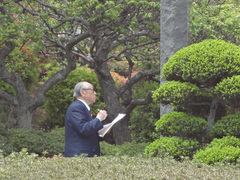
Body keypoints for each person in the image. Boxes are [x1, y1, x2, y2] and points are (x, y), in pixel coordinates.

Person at [64, 81, 107, 157]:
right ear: (83, 92)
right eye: (92, 90)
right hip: (80, 155)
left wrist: (104, 130)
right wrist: (98, 118)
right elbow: (84, 129)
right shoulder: (76, 107)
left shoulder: (82, 107)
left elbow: (88, 131)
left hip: (86, 154)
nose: (95, 93)